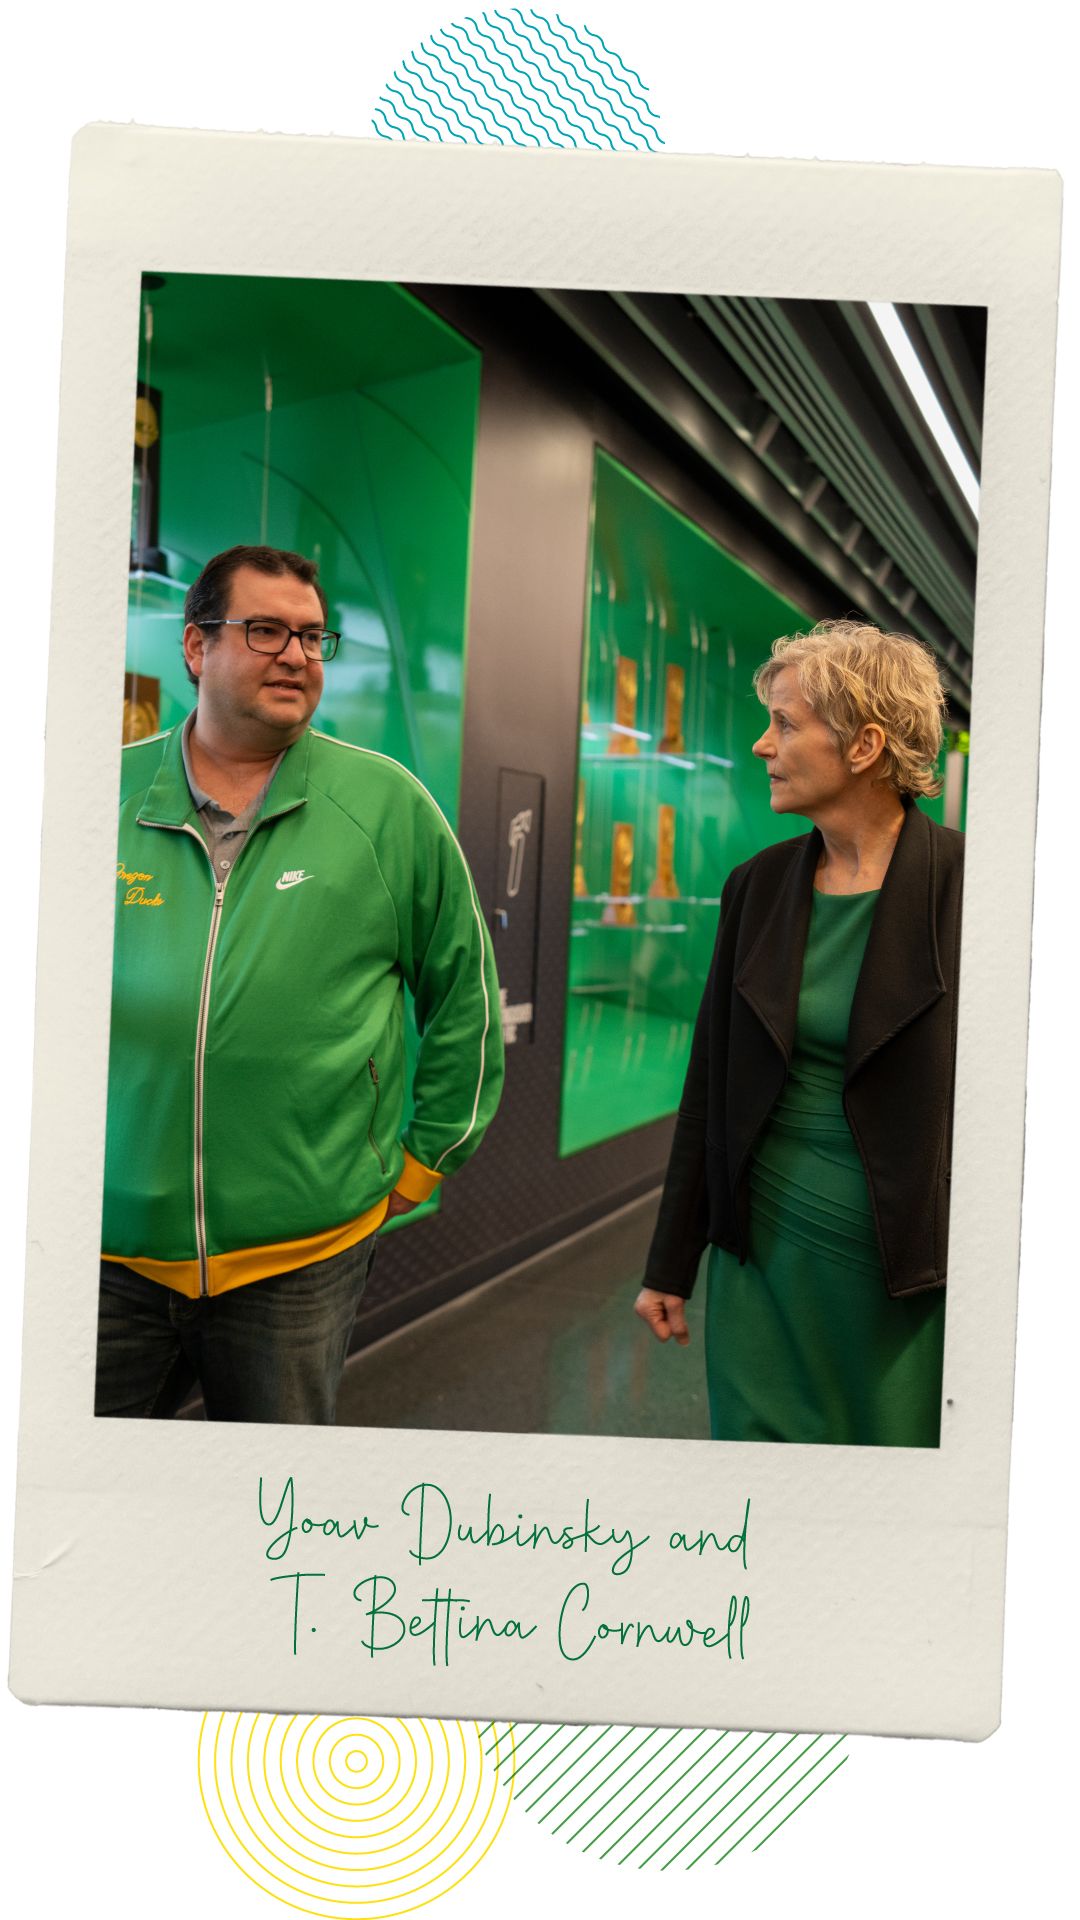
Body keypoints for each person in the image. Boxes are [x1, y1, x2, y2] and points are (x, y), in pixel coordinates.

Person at [98, 544, 504, 1424]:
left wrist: (424, 1162)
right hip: (104, 1253)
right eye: (268, 630)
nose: (296, 655)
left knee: (272, 1504)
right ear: (197, 647)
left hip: (300, 1258)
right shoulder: (99, 795)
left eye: (315, 638)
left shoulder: (387, 806)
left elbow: (466, 998)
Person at [635, 620, 963, 1447]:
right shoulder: (759, 887)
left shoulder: (973, 889)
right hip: (762, 1257)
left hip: (902, 1271)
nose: (760, 745)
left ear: (864, 745)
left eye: (785, 723)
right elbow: (710, 1083)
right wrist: (671, 1261)